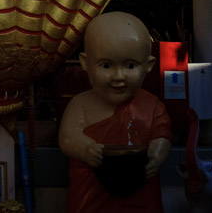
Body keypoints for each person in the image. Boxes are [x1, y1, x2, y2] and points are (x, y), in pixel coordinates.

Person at [59, 12, 171, 213]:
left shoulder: (152, 106)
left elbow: (162, 134)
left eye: (130, 66)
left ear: (149, 65)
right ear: (85, 63)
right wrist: (86, 149)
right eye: (106, 65)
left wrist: (156, 156)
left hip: (141, 193)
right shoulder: (80, 104)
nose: (118, 76)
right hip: (91, 197)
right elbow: (67, 137)